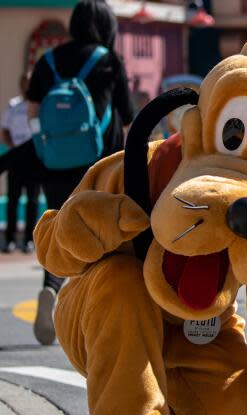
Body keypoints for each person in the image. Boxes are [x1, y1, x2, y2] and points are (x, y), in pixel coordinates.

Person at [26, 0, 134, 346]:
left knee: (60, 231)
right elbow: (130, 118)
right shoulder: (107, 60)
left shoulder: (48, 60)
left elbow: (32, 111)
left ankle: (50, 287)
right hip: (98, 166)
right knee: (99, 240)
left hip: (55, 164)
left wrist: (46, 149)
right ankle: (90, 317)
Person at [1, 73, 39, 254]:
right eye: (25, 82)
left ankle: (29, 240)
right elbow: (5, 130)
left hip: (33, 160)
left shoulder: (39, 105)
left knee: (32, 200)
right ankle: (9, 239)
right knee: (13, 200)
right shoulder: (13, 105)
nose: (27, 86)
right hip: (16, 158)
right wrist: (13, 149)